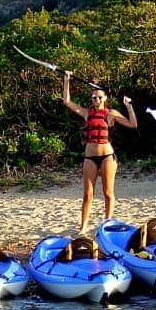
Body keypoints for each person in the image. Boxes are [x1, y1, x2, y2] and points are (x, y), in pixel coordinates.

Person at [61, 71, 138, 235]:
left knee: (108, 193)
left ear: (105, 98)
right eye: (94, 97)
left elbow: (133, 124)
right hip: (90, 157)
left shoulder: (111, 113)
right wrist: (67, 80)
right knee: (88, 194)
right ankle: (83, 227)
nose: (96, 100)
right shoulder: (87, 113)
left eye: (99, 97)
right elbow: (67, 101)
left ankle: (107, 223)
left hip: (107, 156)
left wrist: (129, 107)